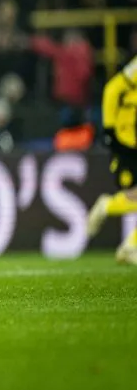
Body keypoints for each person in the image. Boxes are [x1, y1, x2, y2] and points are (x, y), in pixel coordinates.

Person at [87, 54, 137, 264]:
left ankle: (129, 246)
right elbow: (112, 89)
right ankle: (129, 245)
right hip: (127, 142)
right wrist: (109, 130)